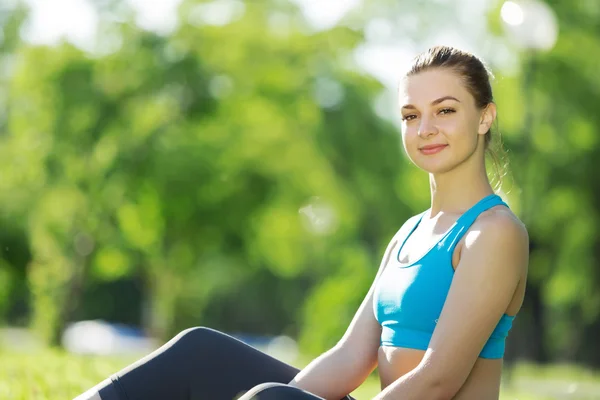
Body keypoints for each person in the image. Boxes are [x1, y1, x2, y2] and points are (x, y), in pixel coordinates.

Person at [76, 45, 529, 400]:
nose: (425, 128)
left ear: (485, 116)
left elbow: (438, 381)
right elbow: (352, 357)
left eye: (445, 110)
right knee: (201, 353)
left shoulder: (493, 233)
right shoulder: (410, 233)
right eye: (411, 116)